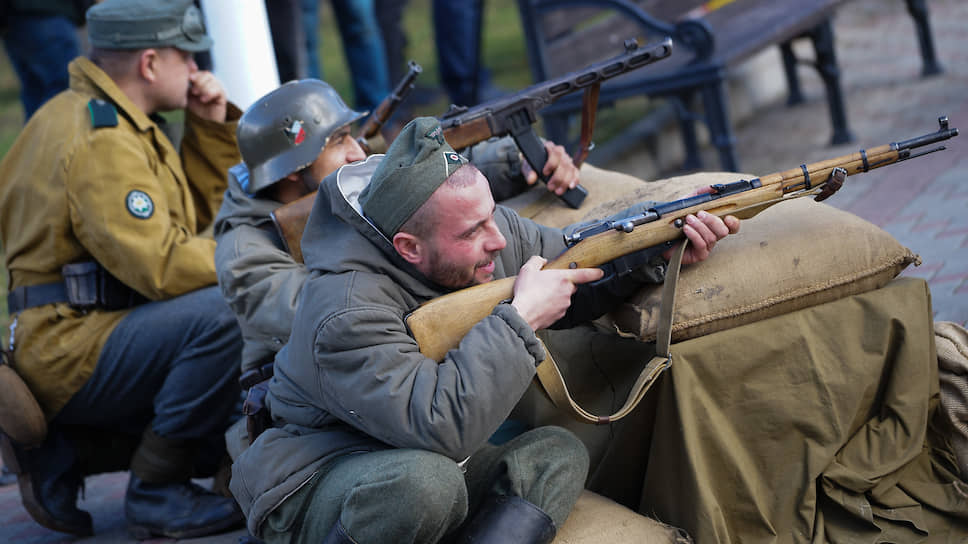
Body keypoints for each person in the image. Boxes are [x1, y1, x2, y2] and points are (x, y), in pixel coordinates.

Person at [228, 116, 738, 543]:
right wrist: (519, 320)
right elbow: (438, 426)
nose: (499, 239)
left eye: (493, 215)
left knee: (556, 456)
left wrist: (658, 249)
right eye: (473, 232)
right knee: (426, 486)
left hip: (415, 461)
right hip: (317, 479)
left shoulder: (486, 232)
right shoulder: (344, 312)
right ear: (408, 247)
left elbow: (575, 266)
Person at [0, 0, 246, 538]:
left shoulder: (85, 114)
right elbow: (161, 266)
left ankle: (67, 453)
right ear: (151, 63)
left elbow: (178, 227)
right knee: (224, 315)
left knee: (219, 412)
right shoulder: (102, 140)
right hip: (73, 344)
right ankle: (156, 492)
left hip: (65, 334)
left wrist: (208, 130)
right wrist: (251, 256)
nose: (198, 70)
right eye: (187, 55)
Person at [215, 79, 582, 378]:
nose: (357, 153)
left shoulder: (345, 181)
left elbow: (422, 183)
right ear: (295, 167)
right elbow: (330, 318)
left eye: (351, 135)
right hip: (324, 406)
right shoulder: (244, 253)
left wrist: (514, 163)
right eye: (338, 141)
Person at [0, 0, 93, 121]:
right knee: (67, 88)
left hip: (15, 19)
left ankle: (35, 139)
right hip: (48, 13)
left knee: (35, 91)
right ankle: (53, 138)